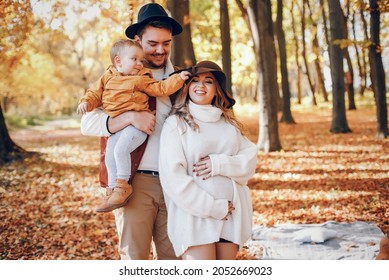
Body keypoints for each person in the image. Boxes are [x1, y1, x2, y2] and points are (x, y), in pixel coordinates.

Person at [80, 3, 184, 260]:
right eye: (152, 43)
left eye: (166, 43)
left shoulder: (181, 79)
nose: (160, 50)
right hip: (136, 181)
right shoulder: (116, 76)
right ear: (137, 40)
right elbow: (87, 124)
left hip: (177, 182)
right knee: (136, 260)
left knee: (175, 259)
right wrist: (129, 117)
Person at [159, 60, 258, 260]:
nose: (201, 85)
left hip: (231, 215)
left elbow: (249, 161)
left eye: (208, 81)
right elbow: (173, 178)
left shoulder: (229, 125)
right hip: (196, 217)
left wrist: (219, 164)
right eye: (195, 80)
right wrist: (212, 208)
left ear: (217, 89)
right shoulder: (176, 124)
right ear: (187, 87)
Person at [77, 38, 190, 213]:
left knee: (120, 150)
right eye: (134, 59)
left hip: (137, 129)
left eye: (140, 60)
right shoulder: (107, 77)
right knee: (110, 154)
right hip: (119, 128)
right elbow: (94, 94)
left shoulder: (141, 78)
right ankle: (113, 189)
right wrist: (86, 103)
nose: (139, 63)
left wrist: (179, 78)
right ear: (118, 61)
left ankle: (123, 186)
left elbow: (161, 88)